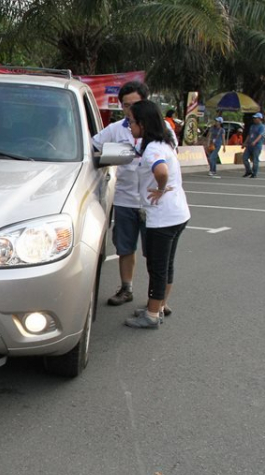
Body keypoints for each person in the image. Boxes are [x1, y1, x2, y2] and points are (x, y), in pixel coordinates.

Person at [92, 80, 175, 314]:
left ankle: (157, 300)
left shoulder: (163, 131)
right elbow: (93, 147)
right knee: (125, 247)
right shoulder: (116, 129)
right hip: (125, 198)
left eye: (134, 105)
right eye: (125, 105)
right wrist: (114, 155)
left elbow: (167, 162)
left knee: (155, 254)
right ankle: (126, 288)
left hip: (152, 203)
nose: (129, 110)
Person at [125, 100, 190, 329]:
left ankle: (152, 314)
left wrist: (160, 189)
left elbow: (160, 171)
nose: (129, 125)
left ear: (142, 124)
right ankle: (159, 306)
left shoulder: (152, 148)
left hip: (162, 217)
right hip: (178, 213)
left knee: (157, 266)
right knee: (167, 264)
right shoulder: (165, 142)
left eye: (131, 121)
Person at [242, 112, 265, 178]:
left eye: (256, 118)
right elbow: (249, 135)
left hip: (257, 145)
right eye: (254, 118)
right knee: (244, 158)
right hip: (249, 145)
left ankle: (254, 173)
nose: (254, 119)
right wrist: (245, 143)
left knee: (255, 159)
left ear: (260, 119)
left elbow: (260, 135)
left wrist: (255, 142)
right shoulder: (252, 126)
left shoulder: (262, 127)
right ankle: (248, 171)